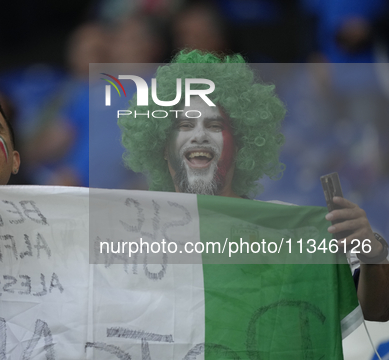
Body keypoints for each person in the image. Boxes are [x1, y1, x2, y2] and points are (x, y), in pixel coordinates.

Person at [117, 50, 389, 322]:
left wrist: (372, 253)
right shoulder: (132, 242)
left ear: (241, 145)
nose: (199, 135)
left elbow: (376, 310)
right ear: (163, 146)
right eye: (185, 125)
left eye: (214, 125)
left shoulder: (288, 229)